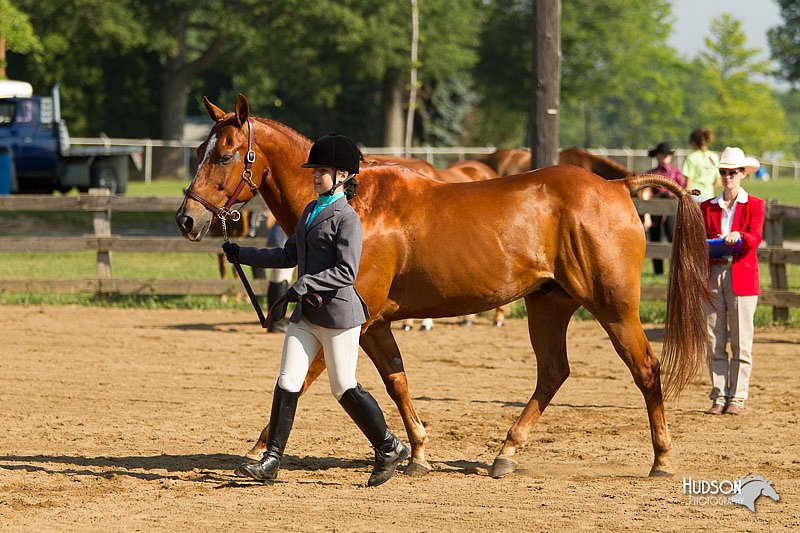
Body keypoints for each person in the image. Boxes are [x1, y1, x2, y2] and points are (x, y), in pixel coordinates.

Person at [222, 133, 409, 485]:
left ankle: (388, 446)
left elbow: (346, 271)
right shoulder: (310, 210)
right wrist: (243, 254)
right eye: (313, 170)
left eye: (321, 170)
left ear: (342, 176)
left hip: (339, 316)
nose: (313, 175)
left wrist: (304, 284)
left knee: (343, 387)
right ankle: (270, 461)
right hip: (306, 315)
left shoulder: (347, 218)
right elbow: (288, 255)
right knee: (288, 381)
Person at [700, 147, 764, 416]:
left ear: (742, 174)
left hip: (741, 274)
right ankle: (718, 395)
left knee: (740, 341)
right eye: (724, 172)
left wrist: (739, 237)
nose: (728, 177)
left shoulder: (754, 205)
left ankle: (736, 397)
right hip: (713, 273)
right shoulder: (706, 207)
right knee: (714, 338)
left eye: (733, 172)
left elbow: (755, 237)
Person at [645, 142, 686, 275]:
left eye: (667, 154)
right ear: (657, 156)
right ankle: (658, 271)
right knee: (655, 237)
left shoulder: (676, 173)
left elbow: (682, 191)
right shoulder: (650, 174)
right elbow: (646, 193)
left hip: (672, 208)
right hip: (655, 209)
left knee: (673, 237)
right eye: (663, 154)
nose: (665, 157)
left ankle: (675, 269)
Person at [681, 128, 719, 202]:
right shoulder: (714, 156)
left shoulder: (691, 157)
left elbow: (688, 183)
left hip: (694, 197)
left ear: (693, 142)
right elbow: (718, 181)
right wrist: (709, 189)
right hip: (709, 196)